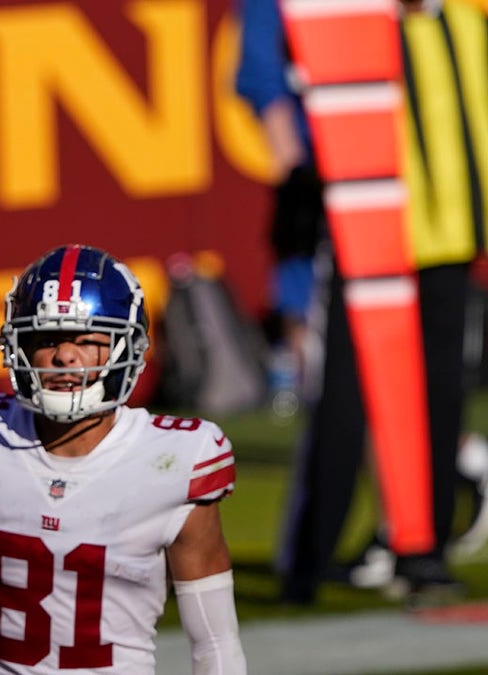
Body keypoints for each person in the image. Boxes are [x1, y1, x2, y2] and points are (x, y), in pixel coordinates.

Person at [0, 246, 246, 674]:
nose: (65, 356)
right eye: (47, 339)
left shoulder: (178, 462)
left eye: (87, 340)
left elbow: (215, 643)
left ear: (129, 348)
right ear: (18, 346)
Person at [235, 0, 482, 605]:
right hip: (358, 212)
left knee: (438, 385)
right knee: (344, 390)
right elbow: (261, 73)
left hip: (446, 216)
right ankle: (310, 559)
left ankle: (420, 545)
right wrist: (297, 164)